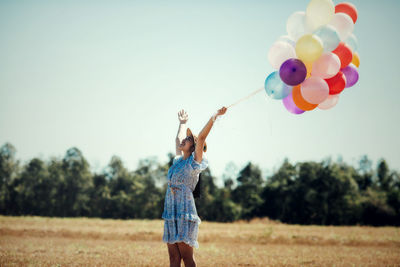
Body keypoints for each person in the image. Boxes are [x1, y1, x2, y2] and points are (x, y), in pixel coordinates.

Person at [162, 107, 227, 267]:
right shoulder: (178, 161)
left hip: (184, 212)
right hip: (171, 211)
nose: (184, 139)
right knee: (173, 258)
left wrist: (214, 117)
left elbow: (202, 137)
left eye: (189, 139)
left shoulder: (193, 163)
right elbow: (178, 139)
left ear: (194, 147)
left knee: (186, 257)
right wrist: (182, 123)